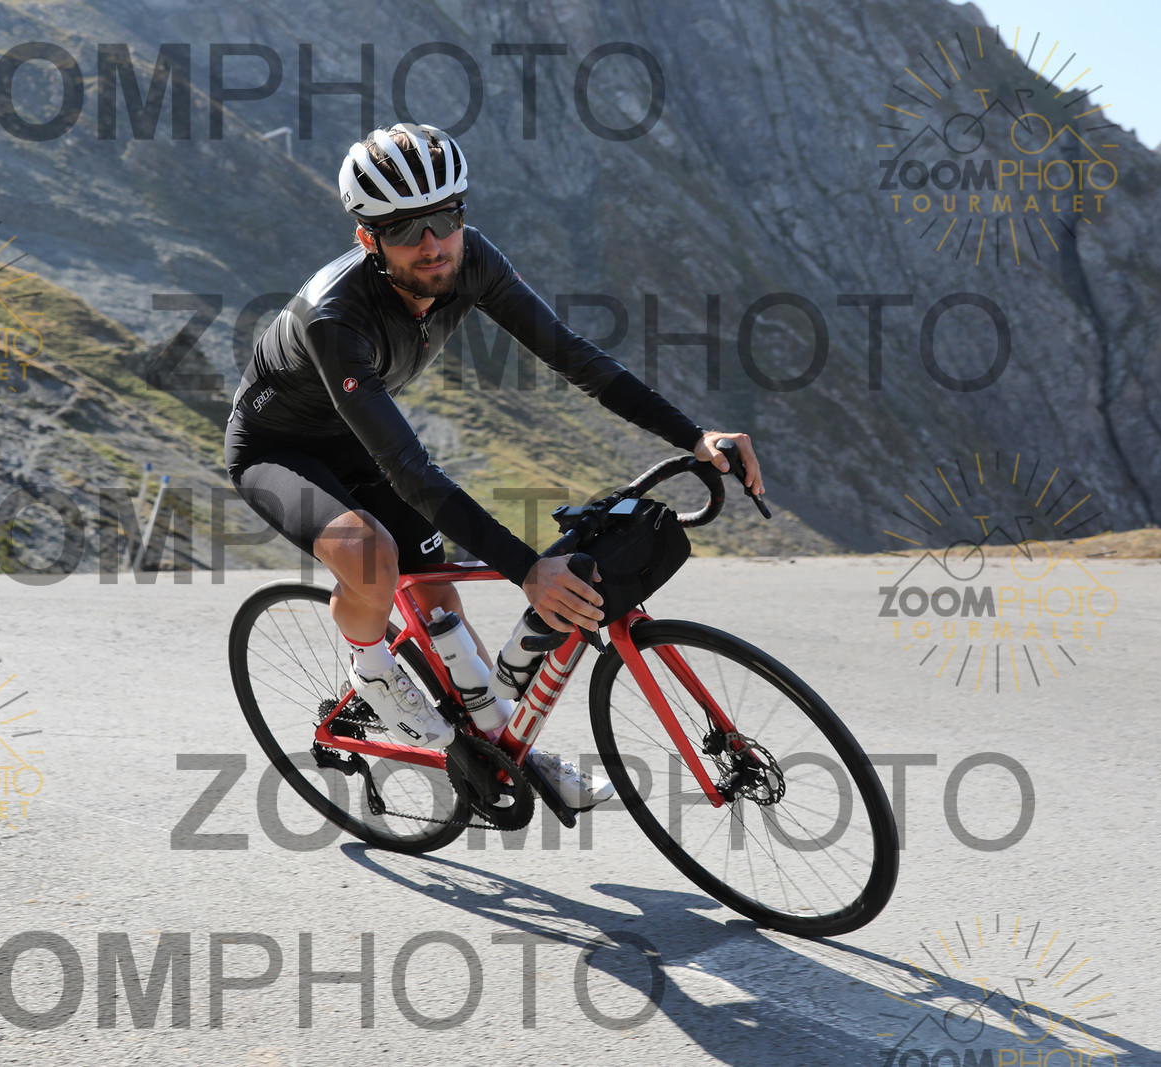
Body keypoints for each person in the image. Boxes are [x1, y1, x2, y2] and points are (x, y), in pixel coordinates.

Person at [226, 122, 763, 810]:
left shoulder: (472, 259)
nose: (432, 244)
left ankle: (509, 749)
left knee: (441, 610)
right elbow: (410, 467)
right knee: (370, 556)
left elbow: (573, 357)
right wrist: (528, 570)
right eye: (406, 229)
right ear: (368, 239)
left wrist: (694, 436)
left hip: (358, 440)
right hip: (277, 449)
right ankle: (372, 672)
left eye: (446, 218)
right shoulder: (336, 317)